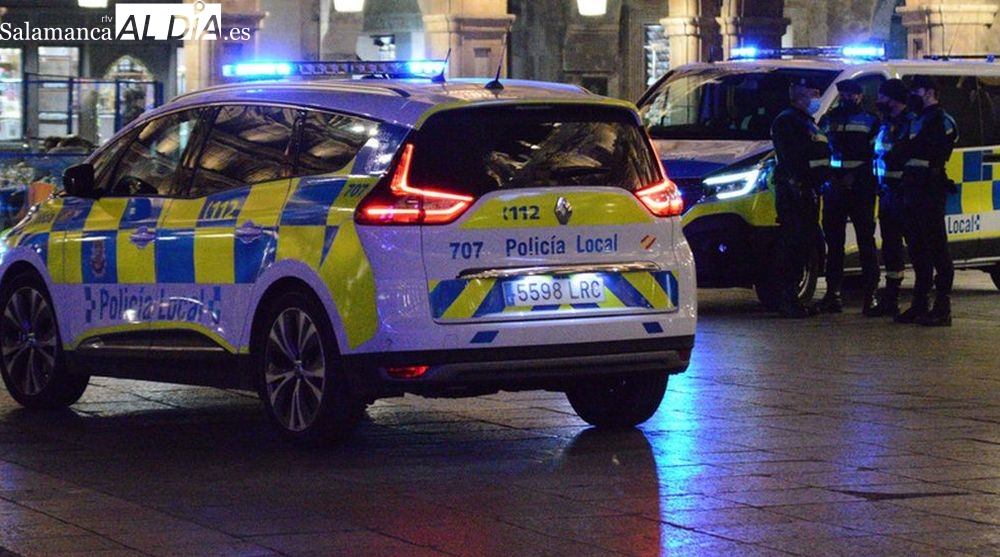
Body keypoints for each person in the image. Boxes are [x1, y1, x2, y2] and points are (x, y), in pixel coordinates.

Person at [894, 75, 959, 326]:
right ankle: (920, 303)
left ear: (930, 92)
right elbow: (899, 151)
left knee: (937, 247)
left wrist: (909, 148)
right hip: (912, 188)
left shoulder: (942, 121)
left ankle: (943, 307)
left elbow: (933, 149)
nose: (912, 95)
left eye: (917, 90)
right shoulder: (916, 120)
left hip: (930, 189)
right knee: (917, 248)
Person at [817, 79, 880, 314]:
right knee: (834, 244)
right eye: (843, 94)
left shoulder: (870, 121)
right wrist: (832, 176)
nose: (846, 98)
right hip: (835, 187)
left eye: (851, 95)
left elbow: (875, 155)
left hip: (861, 187)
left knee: (866, 241)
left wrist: (856, 176)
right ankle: (833, 294)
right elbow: (821, 149)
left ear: (859, 97)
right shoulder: (829, 120)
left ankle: (871, 294)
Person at [770, 77, 830, 318]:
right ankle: (787, 298)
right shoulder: (788, 121)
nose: (816, 98)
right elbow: (793, 159)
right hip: (796, 192)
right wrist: (802, 184)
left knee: (803, 244)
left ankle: (792, 298)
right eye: (812, 93)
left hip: (807, 190)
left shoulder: (805, 121)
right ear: (800, 95)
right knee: (793, 245)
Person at [869, 78, 916, 317]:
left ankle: (919, 300)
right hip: (887, 193)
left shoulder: (910, 123)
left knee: (916, 245)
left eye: (882, 96)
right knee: (890, 246)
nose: (878, 101)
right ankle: (891, 296)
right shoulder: (887, 123)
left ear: (894, 99)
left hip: (904, 193)